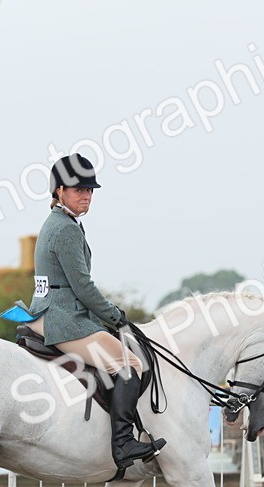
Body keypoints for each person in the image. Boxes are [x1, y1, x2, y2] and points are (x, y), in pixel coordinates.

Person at [24, 153, 166, 470]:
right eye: (79, 190)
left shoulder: (60, 223)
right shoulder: (65, 229)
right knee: (130, 363)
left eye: (89, 190)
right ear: (59, 190)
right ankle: (123, 443)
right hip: (62, 319)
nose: (86, 196)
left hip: (49, 312)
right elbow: (84, 288)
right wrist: (117, 317)